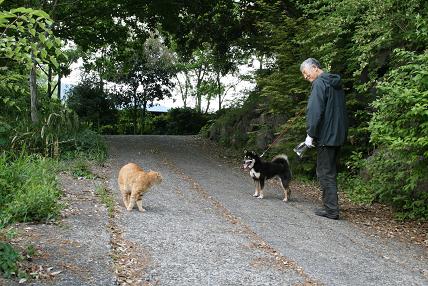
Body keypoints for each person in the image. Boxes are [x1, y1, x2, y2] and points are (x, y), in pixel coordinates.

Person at [300, 58, 348, 220]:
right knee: (330, 172)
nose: (306, 78)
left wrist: (310, 134)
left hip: (326, 136)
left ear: (314, 68)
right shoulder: (335, 83)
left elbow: (315, 111)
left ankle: (331, 210)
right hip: (338, 134)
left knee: (324, 172)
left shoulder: (320, 84)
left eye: (306, 74)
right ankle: (330, 206)